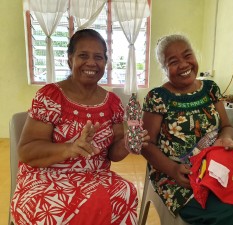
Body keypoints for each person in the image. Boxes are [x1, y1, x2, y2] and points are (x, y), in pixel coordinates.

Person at [11, 28, 149, 225]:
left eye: (98, 57)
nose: (91, 63)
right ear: (70, 59)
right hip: (46, 177)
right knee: (53, 212)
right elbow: (26, 151)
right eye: (83, 55)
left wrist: (127, 143)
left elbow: (113, 155)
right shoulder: (50, 96)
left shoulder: (113, 103)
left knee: (125, 192)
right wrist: (70, 148)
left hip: (95, 176)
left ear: (105, 63)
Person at [141, 34, 233, 225]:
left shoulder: (210, 89)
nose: (184, 65)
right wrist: (174, 169)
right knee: (227, 215)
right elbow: (146, 145)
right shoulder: (158, 97)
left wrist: (226, 138)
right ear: (164, 68)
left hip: (215, 170)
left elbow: (227, 127)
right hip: (177, 178)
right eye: (173, 61)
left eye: (187, 55)